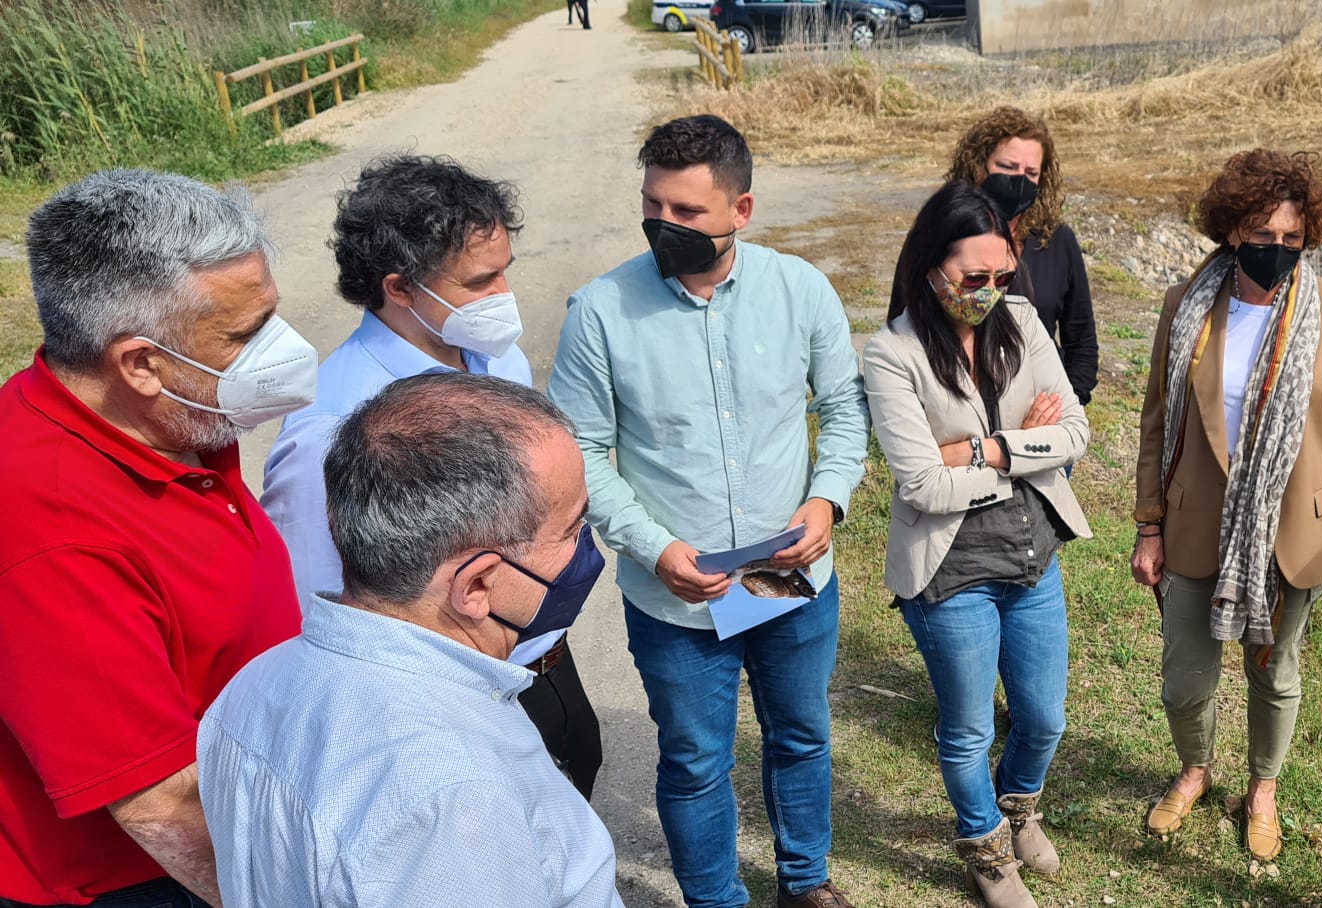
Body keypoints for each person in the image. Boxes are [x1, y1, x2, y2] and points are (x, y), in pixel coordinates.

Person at [547, 114, 869, 908]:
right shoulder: (600, 311)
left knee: (801, 737)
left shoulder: (801, 291)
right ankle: (716, 900)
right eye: (654, 206)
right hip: (677, 598)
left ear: (741, 211)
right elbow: (579, 452)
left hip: (792, 578)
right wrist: (655, 549)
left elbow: (844, 409)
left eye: (688, 212)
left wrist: (827, 500)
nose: (665, 226)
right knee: (694, 761)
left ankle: (805, 881)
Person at [0, 170, 312, 907]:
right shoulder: (51, 532)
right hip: (143, 882)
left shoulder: (173, 425)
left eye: (270, 316)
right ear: (139, 363)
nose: (284, 350)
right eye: (244, 335)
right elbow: (162, 805)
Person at [199, 373, 623, 907]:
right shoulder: (455, 798)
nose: (587, 546)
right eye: (570, 528)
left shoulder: (256, 684)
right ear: (476, 586)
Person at [258, 154, 606, 799]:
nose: (503, 297)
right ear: (400, 288)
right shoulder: (335, 429)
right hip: (454, 705)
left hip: (546, 667)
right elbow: (312, 607)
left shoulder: (495, 361)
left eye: (505, 272)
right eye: (480, 281)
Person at [1130, 149, 1322, 863]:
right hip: (1195, 522)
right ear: (1232, 230)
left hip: (1292, 527)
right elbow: (1155, 423)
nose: (1276, 252)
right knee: (1186, 676)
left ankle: (1262, 790)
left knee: (1275, 671)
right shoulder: (1187, 308)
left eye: (1292, 241)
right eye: (1262, 238)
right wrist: (1149, 523)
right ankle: (1196, 769)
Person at [862, 182, 1091, 908]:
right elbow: (922, 487)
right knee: (965, 730)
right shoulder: (892, 352)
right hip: (950, 570)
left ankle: (1017, 811)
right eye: (973, 278)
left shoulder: (1021, 319)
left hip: (1032, 556)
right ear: (932, 265)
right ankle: (986, 850)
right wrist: (1026, 445)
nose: (989, 292)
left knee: (1044, 717)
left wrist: (980, 449)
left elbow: (1076, 433)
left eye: (1002, 276)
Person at [946, 107, 1098, 409]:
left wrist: (1067, 405)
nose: (1019, 181)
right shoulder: (941, 234)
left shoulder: (1055, 241)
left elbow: (1080, 339)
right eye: (1007, 167)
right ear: (978, 167)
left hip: (1041, 418)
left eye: (1031, 173)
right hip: (960, 415)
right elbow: (905, 322)